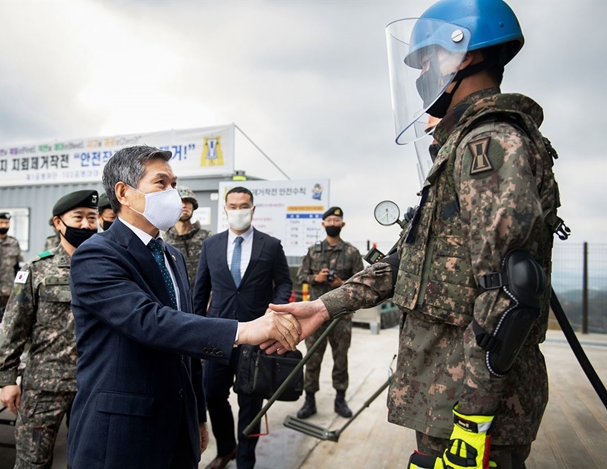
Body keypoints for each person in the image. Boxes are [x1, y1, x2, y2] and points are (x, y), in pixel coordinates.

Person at [270, 1, 563, 468]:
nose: (420, 74)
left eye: (425, 60)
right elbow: (406, 261)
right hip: (445, 403)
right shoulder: (461, 147)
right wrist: (324, 306)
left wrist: (474, 424)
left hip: (473, 416)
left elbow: (510, 292)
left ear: (463, 54)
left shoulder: (487, 144)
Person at [67, 146, 300, 469]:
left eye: (174, 184)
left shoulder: (171, 256)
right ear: (124, 192)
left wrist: (197, 417)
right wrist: (244, 329)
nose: (172, 194)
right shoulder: (97, 255)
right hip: (124, 434)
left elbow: (185, 342)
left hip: (178, 428)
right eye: (161, 183)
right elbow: (149, 321)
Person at [0, 190, 99, 469]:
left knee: (88, 461)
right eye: (78, 217)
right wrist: (7, 379)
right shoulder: (37, 269)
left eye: (92, 218)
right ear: (58, 223)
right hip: (45, 385)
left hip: (93, 383)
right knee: (33, 461)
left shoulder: (108, 267)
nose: (86, 225)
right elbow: (13, 326)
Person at [194, 186, 293, 469]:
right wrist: (194, 330)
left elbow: (284, 282)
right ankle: (227, 449)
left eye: (244, 205)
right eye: (233, 206)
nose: (238, 210)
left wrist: (274, 311)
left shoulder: (270, 245)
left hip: (256, 337)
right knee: (212, 394)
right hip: (217, 335)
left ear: (253, 209)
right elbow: (200, 292)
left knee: (250, 399)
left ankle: (246, 460)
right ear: (225, 209)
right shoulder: (210, 245)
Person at [295, 206, 363, 420]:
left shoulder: (351, 252)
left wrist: (341, 283)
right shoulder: (314, 250)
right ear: (323, 224)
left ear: (342, 224)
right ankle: (309, 401)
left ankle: (340, 399)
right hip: (315, 315)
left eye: (337, 220)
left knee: (340, 358)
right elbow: (300, 275)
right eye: (329, 220)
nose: (333, 223)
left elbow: (362, 282)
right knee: (312, 358)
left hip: (340, 317)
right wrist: (316, 278)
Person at [163, 186, 212, 292]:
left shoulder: (207, 237)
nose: (184, 205)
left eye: (188, 202)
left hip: (202, 299)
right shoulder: (163, 239)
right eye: (180, 201)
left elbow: (216, 271)